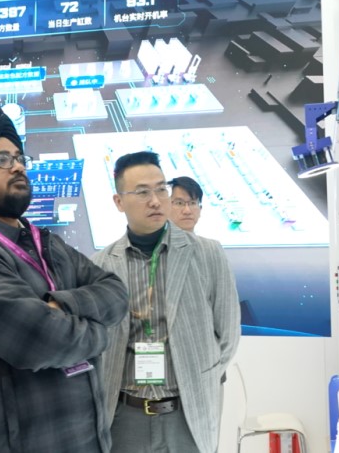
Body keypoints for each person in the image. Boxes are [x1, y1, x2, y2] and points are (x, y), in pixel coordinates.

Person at [0, 106, 129, 453]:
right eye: (2, 159)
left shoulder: (45, 241)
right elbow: (39, 340)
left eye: (19, 157)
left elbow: (116, 293)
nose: (19, 166)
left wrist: (60, 305)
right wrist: (102, 333)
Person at [92, 151, 240, 453]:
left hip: (187, 415)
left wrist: (200, 381)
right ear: (119, 202)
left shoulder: (207, 254)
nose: (156, 201)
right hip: (124, 417)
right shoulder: (101, 265)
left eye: (161, 189)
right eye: (142, 192)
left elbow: (227, 335)